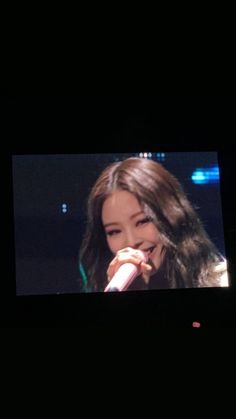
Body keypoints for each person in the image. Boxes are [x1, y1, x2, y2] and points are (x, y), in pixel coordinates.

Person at [78, 157, 228, 292]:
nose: (131, 242)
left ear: (172, 216)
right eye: (114, 231)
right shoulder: (104, 288)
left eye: (142, 221)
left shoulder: (222, 282)